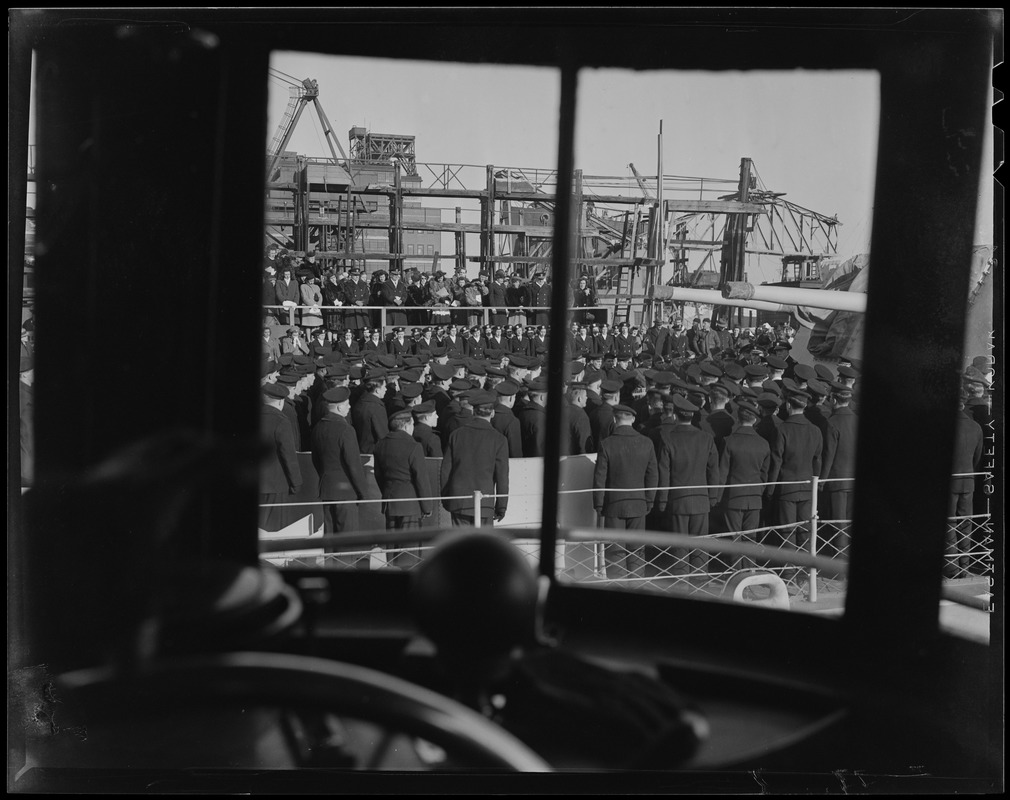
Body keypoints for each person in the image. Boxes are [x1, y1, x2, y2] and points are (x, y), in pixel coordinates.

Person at [654, 395, 720, 574]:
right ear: (692, 417)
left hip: (678, 502)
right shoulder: (706, 438)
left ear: (675, 416)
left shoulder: (668, 439)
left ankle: (681, 582)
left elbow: (664, 473)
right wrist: (713, 497)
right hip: (701, 500)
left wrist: (662, 501)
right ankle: (699, 581)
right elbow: (714, 471)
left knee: (680, 545)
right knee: (700, 545)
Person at [593, 404, 658, 578]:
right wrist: (649, 500)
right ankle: (637, 586)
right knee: (637, 550)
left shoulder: (606, 444)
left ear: (614, 420)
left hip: (613, 505)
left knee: (615, 551)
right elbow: (652, 475)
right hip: (638, 504)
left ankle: (618, 588)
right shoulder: (646, 443)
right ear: (633, 419)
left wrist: (599, 505)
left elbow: (600, 478)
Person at [440, 390, 510, 526]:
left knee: (461, 544)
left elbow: (445, 471)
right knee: (483, 545)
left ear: (473, 412)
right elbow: (502, 476)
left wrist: (446, 498)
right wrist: (501, 506)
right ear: (492, 413)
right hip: (485, 504)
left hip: (458, 501)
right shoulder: (499, 439)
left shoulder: (456, 435)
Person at [766, 384, 823, 551]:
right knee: (805, 529)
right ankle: (804, 572)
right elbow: (817, 460)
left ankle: (789, 571)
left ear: (789, 405)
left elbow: (776, 461)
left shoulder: (782, 429)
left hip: (786, 487)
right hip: (807, 487)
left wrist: (770, 489)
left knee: (787, 530)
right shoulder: (815, 431)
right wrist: (816, 484)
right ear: (805, 407)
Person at [310, 386, 368, 542]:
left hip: (327, 490)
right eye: (347, 404)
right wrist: (363, 493)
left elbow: (315, 460)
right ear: (340, 406)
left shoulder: (318, 428)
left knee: (329, 538)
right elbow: (354, 465)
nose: (349, 407)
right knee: (347, 541)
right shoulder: (346, 430)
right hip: (346, 492)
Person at [717, 398, 771, 568]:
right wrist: (759, 490)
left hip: (733, 497)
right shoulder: (764, 444)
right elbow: (765, 473)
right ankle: (750, 573)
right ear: (754, 420)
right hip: (754, 497)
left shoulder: (729, 441)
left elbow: (723, 472)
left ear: (738, 419)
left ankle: (736, 574)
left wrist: (719, 497)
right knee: (750, 538)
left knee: (734, 537)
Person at [373, 409, 432, 532]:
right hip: (410, 505)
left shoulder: (380, 445)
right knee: (409, 547)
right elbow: (421, 479)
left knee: (391, 545)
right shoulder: (414, 446)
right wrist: (427, 507)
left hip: (390, 502)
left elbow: (378, 476)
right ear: (406, 425)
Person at [947, 387, 984, 577]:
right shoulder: (975, 427)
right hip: (968, 481)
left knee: (949, 522)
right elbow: (977, 458)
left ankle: (952, 568)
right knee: (966, 522)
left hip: (950, 481)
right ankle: (965, 565)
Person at [819, 382, 858, 557]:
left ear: (834, 399)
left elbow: (829, 455)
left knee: (838, 523)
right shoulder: (857, 419)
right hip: (853, 479)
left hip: (837, 481)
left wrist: (822, 481)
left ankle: (840, 564)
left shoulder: (832, 423)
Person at [259, 382, 303, 532]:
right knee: (273, 529)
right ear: (280, 401)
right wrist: (296, 483)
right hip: (275, 485)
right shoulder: (281, 421)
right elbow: (289, 456)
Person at [350, 367, 389, 454]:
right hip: (373, 452)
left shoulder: (360, 402)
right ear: (377, 390)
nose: (386, 389)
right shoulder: (377, 408)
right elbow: (382, 435)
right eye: (384, 387)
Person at [19, 356, 34, 487]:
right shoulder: (22, 396)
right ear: (24, 375)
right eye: (32, 371)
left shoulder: (26, 391)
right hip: (27, 468)